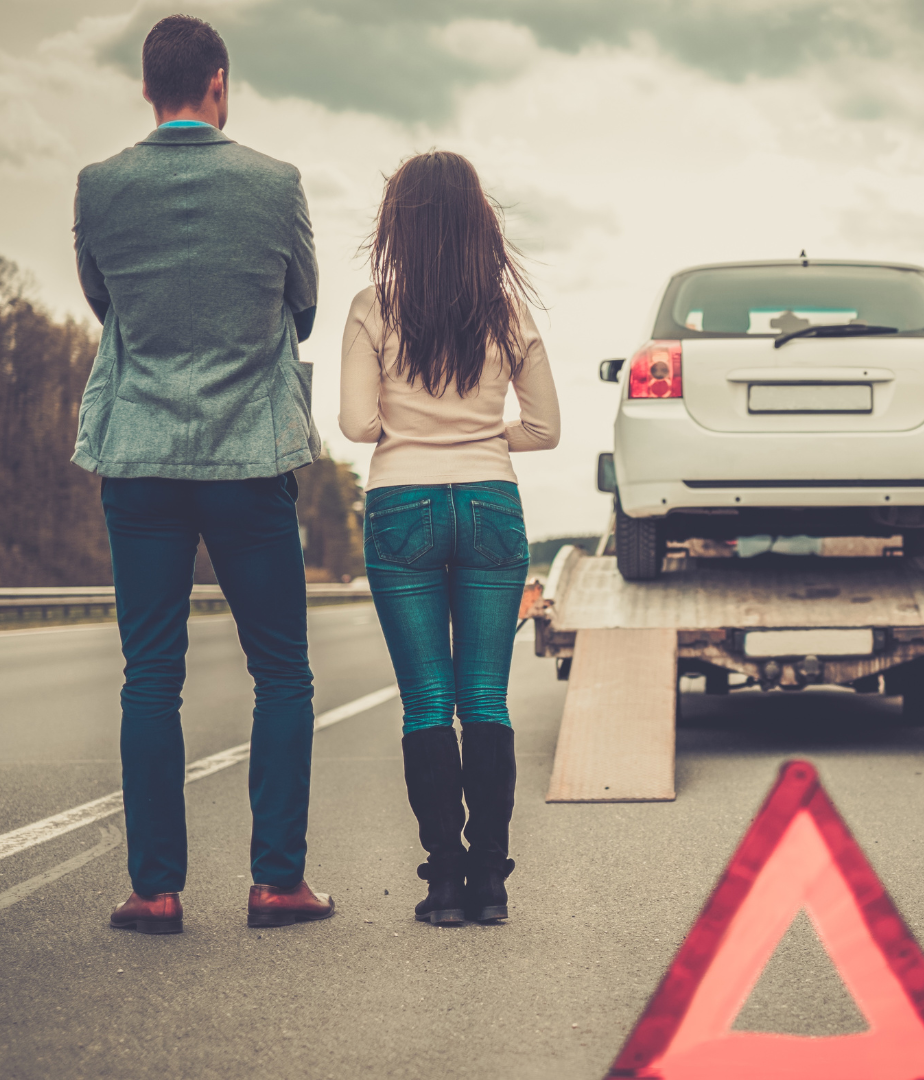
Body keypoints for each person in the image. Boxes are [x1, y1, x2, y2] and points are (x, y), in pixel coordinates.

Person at [72, 14, 333, 933]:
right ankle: (276, 882)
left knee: (150, 675)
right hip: (246, 458)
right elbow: (302, 304)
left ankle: (154, 889)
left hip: (139, 459)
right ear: (218, 83)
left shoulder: (99, 187)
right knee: (283, 674)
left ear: (148, 87)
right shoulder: (276, 184)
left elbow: (103, 301)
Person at [339, 151, 561, 925]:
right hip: (492, 502)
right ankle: (491, 885)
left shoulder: (373, 307)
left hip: (403, 503)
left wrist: (415, 430)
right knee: (487, 699)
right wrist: (480, 435)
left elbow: (359, 425)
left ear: (397, 225)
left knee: (427, 702)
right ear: (480, 225)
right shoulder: (508, 313)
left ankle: (442, 882)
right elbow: (545, 428)